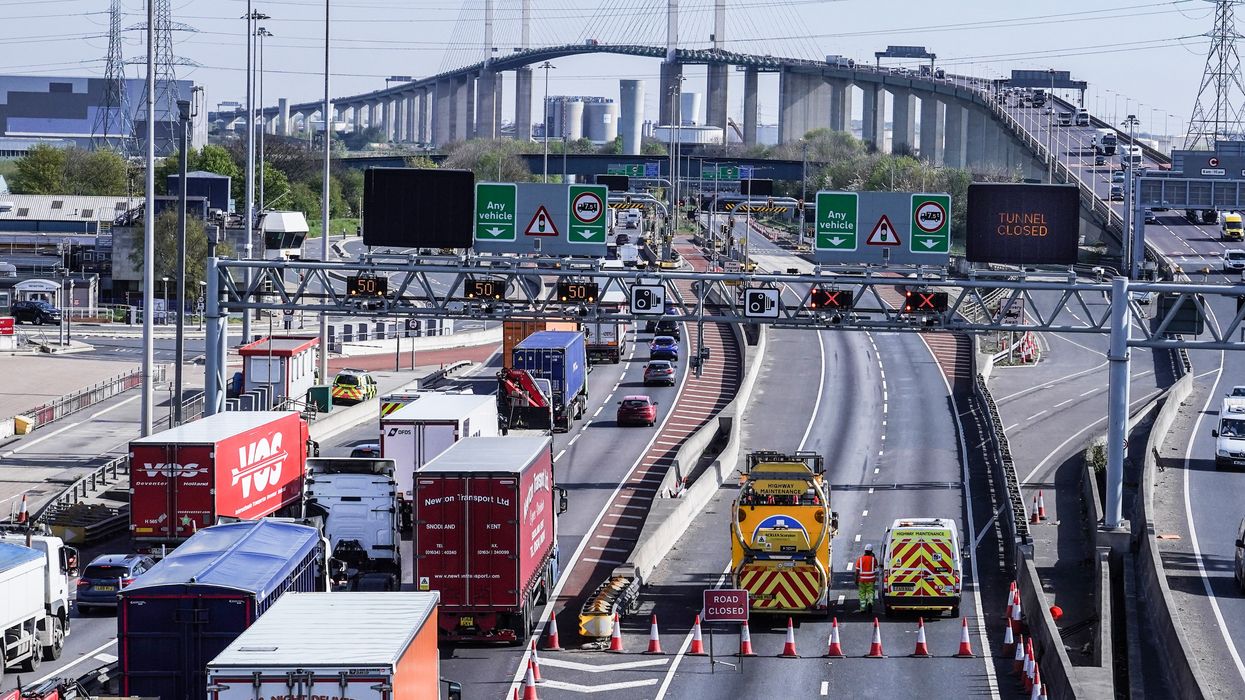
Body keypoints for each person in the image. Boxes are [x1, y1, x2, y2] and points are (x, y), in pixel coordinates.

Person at [855, 544, 880, 613]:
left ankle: (863, 608)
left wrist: (856, 579)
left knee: (862, 594)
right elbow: (875, 566)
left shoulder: (860, 559)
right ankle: (870, 602)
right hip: (871, 580)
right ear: (871, 551)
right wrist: (873, 557)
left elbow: (857, 571)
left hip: (862, 580)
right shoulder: (873, 559)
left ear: (865, 551)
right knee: (870, 592)